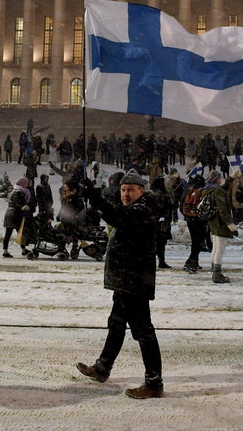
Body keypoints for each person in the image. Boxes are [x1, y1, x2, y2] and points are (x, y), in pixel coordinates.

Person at [76, 170, 164, 399]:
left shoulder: (142, 210)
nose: (126, 194)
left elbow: (117, 216)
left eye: (131, 190)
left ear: (141, 191)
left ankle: (154, 383)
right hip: (126, 281)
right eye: (123, 190)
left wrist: (94, 196)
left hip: (134, 281)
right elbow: (117, 215)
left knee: (143, 331)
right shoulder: (135, 208)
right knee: (116, 324)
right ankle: (102, 367)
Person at [203, 169, 239, 284]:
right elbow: (223, 210)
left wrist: (231, 177)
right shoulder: (217, 191)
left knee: (215, 248)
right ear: (216, 179)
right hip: (220, 223)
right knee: (220, 249)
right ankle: (217, 274)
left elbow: (223, 188)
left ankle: (214, 269)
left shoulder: (210, 189)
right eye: (219, 177)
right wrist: (230, 225)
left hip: (213, 222)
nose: (221, 179)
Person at [2, 177, 33, 258]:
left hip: (11, 214)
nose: (27, 185)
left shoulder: (16, 191)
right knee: (18, 233)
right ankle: (9, 251)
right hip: (14, 215)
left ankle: (7, 250)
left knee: (12, 233)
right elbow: (16, 203)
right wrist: (23, 207)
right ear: (22, 183)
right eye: (26, 183)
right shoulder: (18, 192)